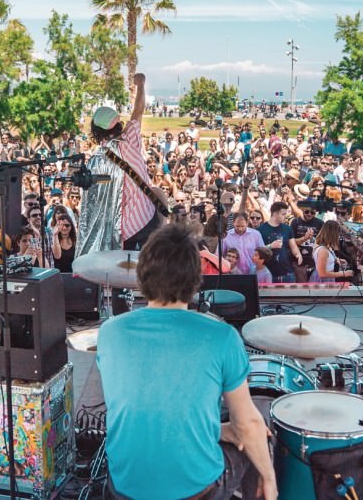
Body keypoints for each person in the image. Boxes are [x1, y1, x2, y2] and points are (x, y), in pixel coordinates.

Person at [97, 224, 276, 499]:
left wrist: (218, 430)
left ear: (142, 275)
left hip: (124, 487)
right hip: (196, 491)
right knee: (259, 431)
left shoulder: (110, 332)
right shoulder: (222, 337)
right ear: (195, 278)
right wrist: (269, 478)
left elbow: (153, 406)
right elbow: (247, 426)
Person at [78, 73, 167, 254]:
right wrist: (141, 84)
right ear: (118, 124)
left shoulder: (96, 160)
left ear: (96, 131)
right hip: (145, 217)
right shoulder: (130, 139)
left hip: (118, 231)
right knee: (148, 269)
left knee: (121, 271)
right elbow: (138, 110)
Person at [257, 202, 301, 283]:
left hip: (287, 272)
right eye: (283, 214)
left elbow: (293, 246)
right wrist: (270, 246)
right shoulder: (260, 230)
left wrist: (298, 254)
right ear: (275, 214)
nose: (285, 216)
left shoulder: (287, 228)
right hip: (268, 272)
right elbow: (257, 250)